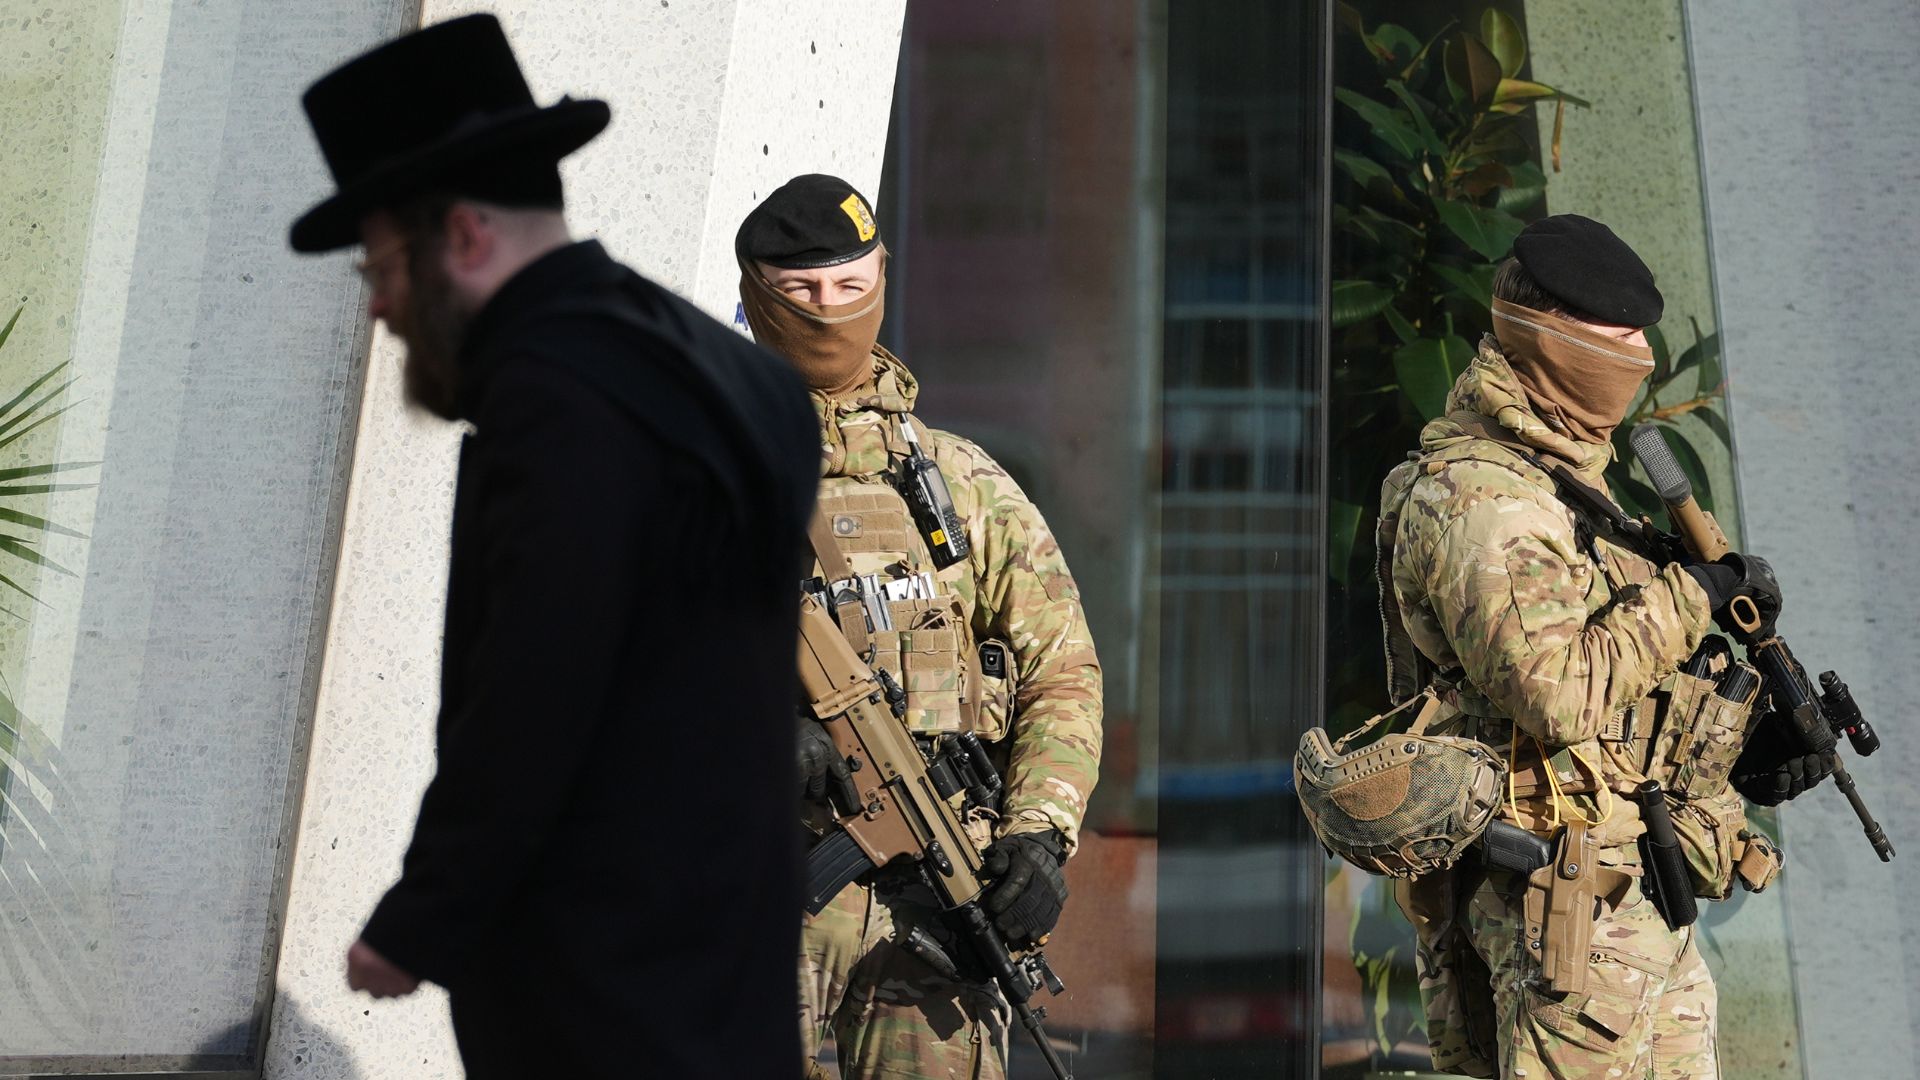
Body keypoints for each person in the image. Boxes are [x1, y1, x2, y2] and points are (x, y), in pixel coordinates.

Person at [288, 15, 817, 1077]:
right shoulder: (731, 373)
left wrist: (417, 920)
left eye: (381, 265)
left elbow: (536, 687)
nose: (382, 305)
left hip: (602, 993)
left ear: (466, 236)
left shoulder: (556, 398)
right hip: (729, 975)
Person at [1382, 214, 1829, 1079]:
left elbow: (1625, 710)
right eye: (1618, 337)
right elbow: (1557, 693)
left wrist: (1744, 754)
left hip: (1641, 906)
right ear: (1547, 339)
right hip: (1563, 922)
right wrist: (1690, 597)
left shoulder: (1570, 485)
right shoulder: (1482, 501)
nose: (1641, 357)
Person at [734, 174, 1103, 1079]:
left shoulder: (960, 483)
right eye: (801, 292)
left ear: (882, 279)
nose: (830, 310)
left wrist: (1038, 833)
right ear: (754, 293)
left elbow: (1062, 669)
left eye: (850, 286)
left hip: (933, 908)